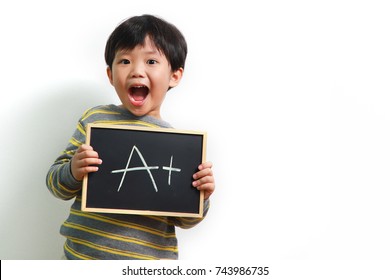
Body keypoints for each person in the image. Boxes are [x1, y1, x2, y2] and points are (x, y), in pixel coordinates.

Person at [46, 14, 215, 260]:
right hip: (81, 258)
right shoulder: (95, 120)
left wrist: (201, 195)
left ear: (175, 76)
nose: (137, 71)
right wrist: (73, 170)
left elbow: (184, 220)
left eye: (151, 62)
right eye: (125, 61)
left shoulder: (179, 146)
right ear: (110, 74)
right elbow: (55, 184)